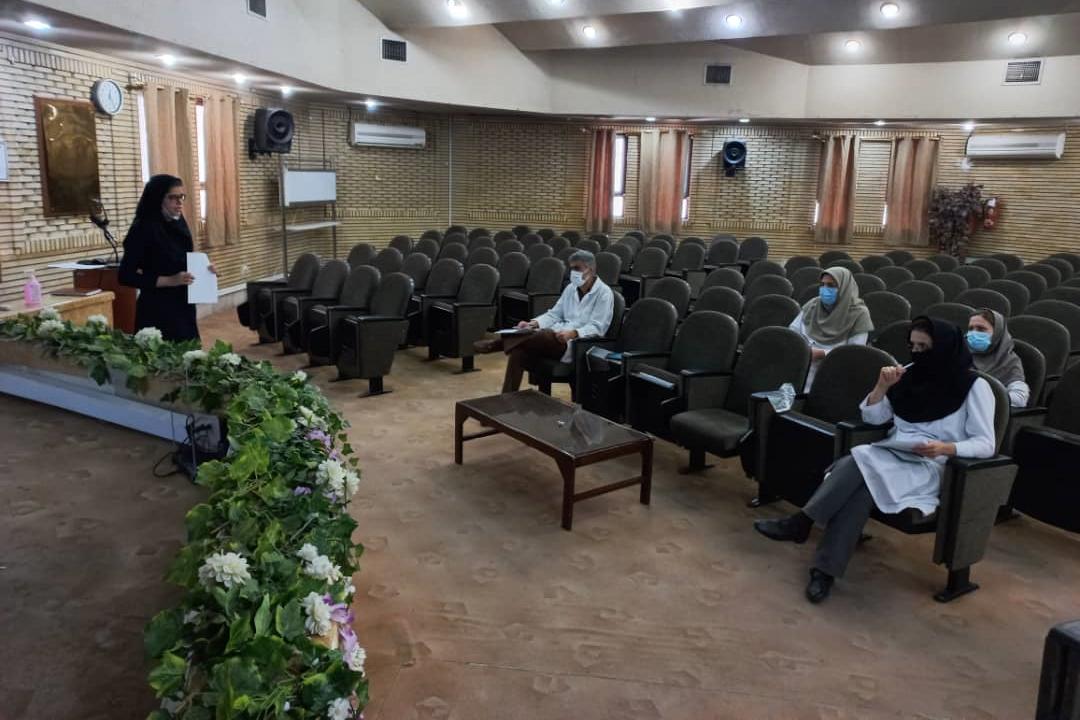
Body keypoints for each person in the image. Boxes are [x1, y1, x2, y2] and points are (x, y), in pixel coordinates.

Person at [753, 317, 997, 604]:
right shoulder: (908, 374)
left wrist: (947, 447)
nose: (916, 353)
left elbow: (986, 444)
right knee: (863, 475)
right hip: (891, 452)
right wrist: (881, 388)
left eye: (924, 347)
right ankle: (824, 569)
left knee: (858, 462)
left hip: (930, 465)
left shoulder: (975, 386)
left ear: (944, 346)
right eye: (913, 346)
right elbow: (874, 419)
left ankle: (803, 525)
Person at [474, 250, 615, 394]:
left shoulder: (604, 292)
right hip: (556, 336)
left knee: (544, 334)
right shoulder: (571, 288)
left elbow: (598, 327)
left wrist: (573, 333)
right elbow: (554, 314)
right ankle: (507, 396)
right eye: (571, 268)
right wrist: (533, 324)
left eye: (577, 268)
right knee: (518, 351)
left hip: (576, 343)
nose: (573, 272)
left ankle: (498, 343)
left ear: (590, 269)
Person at [119, 174, 213, 341]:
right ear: (157, 199)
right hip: (157, 310)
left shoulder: (178, 221)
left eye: (181, 197)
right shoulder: (142, 229)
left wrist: (204, 269)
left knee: (189, 353)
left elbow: (182, 258)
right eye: (172, 197)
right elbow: (125, 276)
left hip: (183, 306)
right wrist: (169, 280)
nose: (179, 202)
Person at [789, 266, 873, 390]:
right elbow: (793, 333)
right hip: (801, 366)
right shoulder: (813, 304)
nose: (825, 289)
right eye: (822, 285)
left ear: (844, 287)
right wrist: (802, 350)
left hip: (835, 371)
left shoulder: (859, 313)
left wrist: (822, 353)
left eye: (831, 285)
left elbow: (854, 351)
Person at [967, 309, 1030, 408]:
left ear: (997, 332)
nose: (973, 333)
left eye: (981, 329)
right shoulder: (961, 352)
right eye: (971, 329)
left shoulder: (1009, 361)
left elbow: (1020, 398)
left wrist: (979, 397)